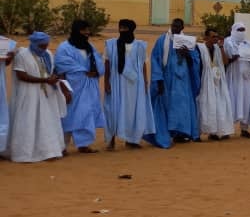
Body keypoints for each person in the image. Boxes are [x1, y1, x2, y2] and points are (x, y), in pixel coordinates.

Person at [4, 31, 68, 162]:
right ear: (34, 44)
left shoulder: (48, 54)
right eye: (41, 46)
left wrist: (55, 78)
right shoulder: (22, 55)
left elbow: (51, 70)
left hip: (47, 94)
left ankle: (49, 151)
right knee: (29, 121)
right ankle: (25, 153)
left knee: (47, 121)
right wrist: (44, 81)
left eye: (46, 45)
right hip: (29, 95)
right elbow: (21, 76)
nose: (44, 48)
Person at [148, 18, 202, 147]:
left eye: (178, 26)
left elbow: (195, 62)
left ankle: (181, 133)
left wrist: (187, 54)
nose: (175, 28)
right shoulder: (162, 41)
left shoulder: (188, 42)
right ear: (171, 25)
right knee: (167, 106)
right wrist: (158, 80)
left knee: (182, 106)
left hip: (184, 81)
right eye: (174, 25)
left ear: (182, 27)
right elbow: (155, 60)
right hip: (167, 80)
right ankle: (166, 133)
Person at [54, 19, 106, 153]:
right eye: (84, 30)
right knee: (68, 116)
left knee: (86, 114)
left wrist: (95, 72)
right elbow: (61, 67)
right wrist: (82, 73)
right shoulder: (64, 47)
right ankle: (62, 147)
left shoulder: (90, 47)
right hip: (72, 88)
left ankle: (83, 144)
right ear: (76, 30)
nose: (87, 33)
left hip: (89, 88)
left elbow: (98, 63)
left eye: (88, 30)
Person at [103, 19, 155, 150]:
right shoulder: (111, 45)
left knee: (133, 111)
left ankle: (132, 140)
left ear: (131, 29)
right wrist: (106, 82)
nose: (122, 30)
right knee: (114, 110)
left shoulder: (140, 45)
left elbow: (143, 64)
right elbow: (107, 64)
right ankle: (111, 140)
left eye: (125, 28)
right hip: (117, 82)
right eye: (121, 28)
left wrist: (145, 81)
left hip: (135, 84)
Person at [196, 28, 235, 140]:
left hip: (218, 80)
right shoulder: (201, 48)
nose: (216, 39)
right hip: (205, 80)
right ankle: (206, 131)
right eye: (213, 37)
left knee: (220, 104)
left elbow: (225, 62)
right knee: (206, 105)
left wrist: (222, 47)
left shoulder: (218, 48)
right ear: (207, 37)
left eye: (217, 37)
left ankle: (219, 131)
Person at [224, 23, 250, 138]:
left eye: (243, 29)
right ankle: (227, 129)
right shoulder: (228, 42)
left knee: (246, 101)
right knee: (231, 99)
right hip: (234, 76)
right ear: (233, 30)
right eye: (239, 30)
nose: (242, 32)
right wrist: (235, 57)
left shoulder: (248, 43)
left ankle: (244, 129)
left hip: (246, 76)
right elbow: (227, 59)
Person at [0, 33, 14, 155]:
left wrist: (9, 58)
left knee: (1, 113)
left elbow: (5, 63)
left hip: (0, 82)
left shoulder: (3, 41)